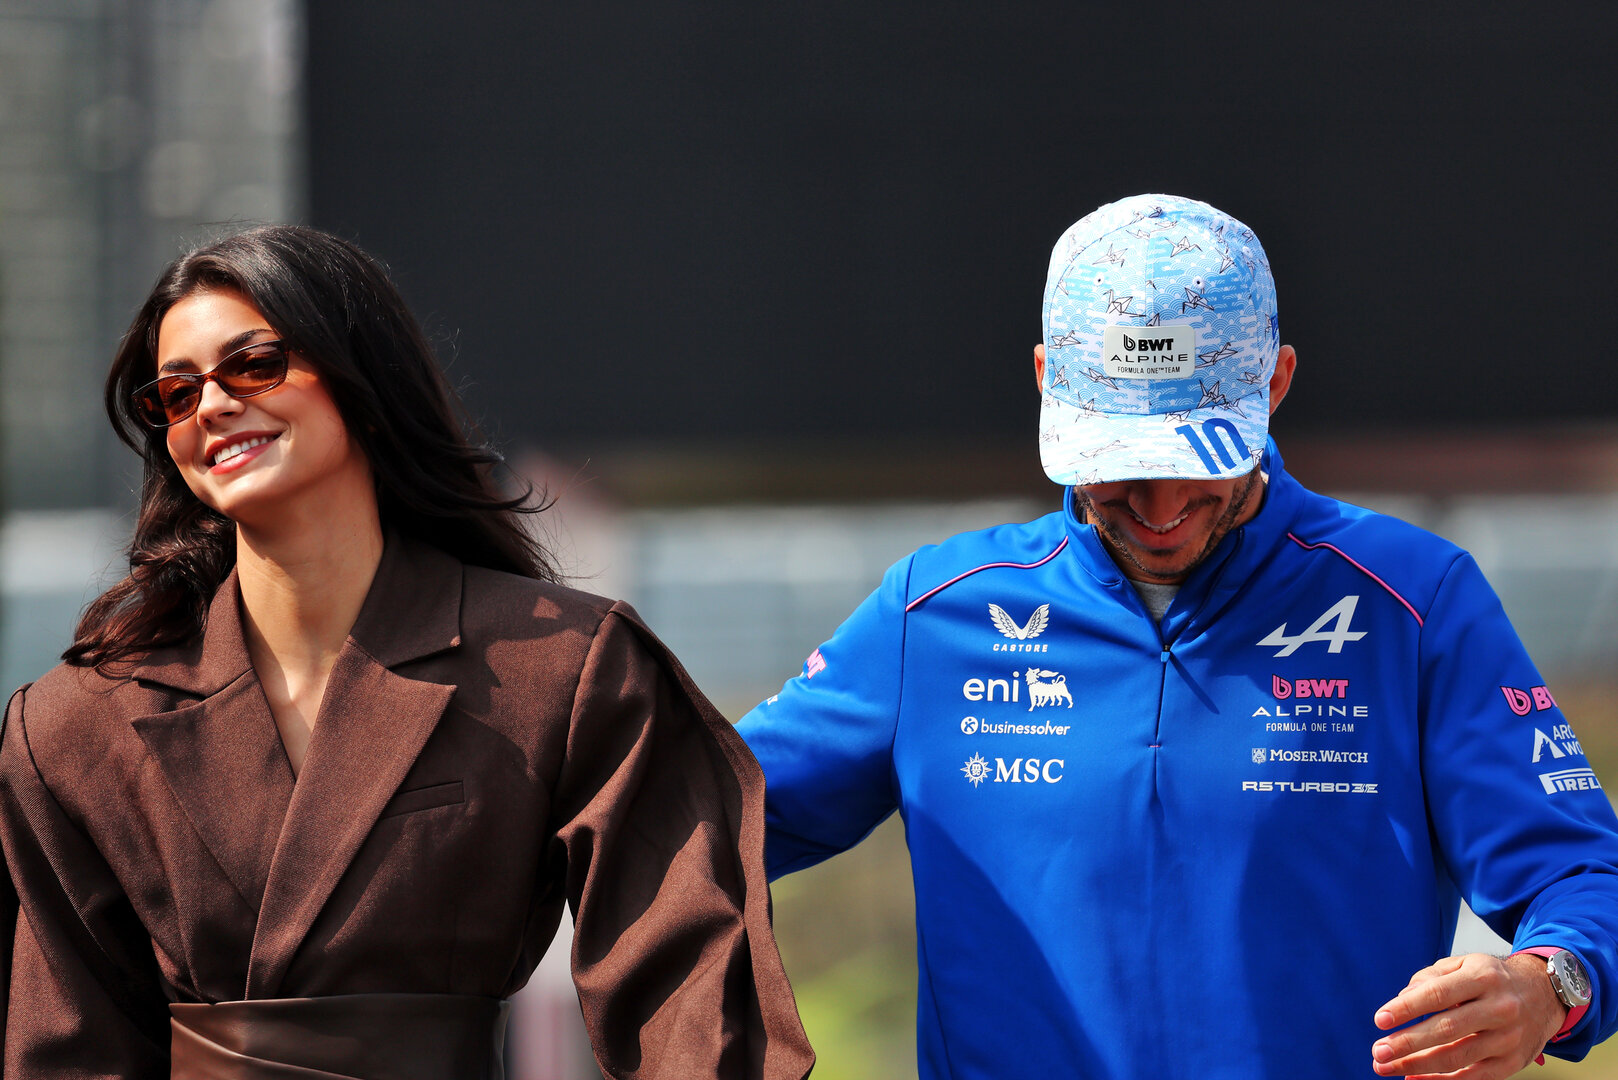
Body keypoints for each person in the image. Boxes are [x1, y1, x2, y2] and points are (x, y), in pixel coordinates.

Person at [736, 194, 1618, 1078]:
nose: (1161, 509)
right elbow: (685, 819)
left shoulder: (1414, 602)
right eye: (1118, 460)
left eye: (1198, 456)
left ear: (1276, 384)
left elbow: (1586, 877)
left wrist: (1552, 984)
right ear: (1046, 381)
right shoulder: (932, 614)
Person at [0, 225, 814, 1079]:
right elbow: (65, 1049)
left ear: (363, 381)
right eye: (174, 394)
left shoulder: (565, 666)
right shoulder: (74, 729)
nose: (212, 406)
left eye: (253, 365)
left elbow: (694, 1006)